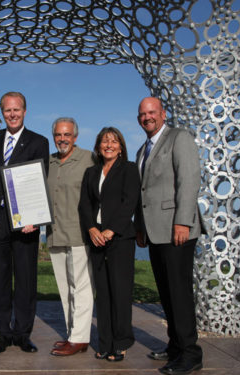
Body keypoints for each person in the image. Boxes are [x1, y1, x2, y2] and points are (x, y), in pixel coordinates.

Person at [135, 97, 205, 375]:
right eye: (142, 114)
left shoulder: (180, 138)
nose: (147, 117)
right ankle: (175, 346)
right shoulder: (143, 150)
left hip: (177, 229)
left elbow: (189, 180)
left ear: (163, 114)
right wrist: (139, 226)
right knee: (166, 293)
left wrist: (183, 221)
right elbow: (143, 194)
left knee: (179, 293)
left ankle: (191, 354)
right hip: (154, 232)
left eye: (152, 112)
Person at [0, 91, 49, 354]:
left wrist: (35, 218)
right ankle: (2, 334)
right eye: (7, 110)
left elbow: (41, 179)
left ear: (25, 111)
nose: (12, 114)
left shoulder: (39, 141)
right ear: (2, 112)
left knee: (25, 280)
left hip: (26, 223)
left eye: (17, 109)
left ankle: (23, 334)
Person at [78, 127, 139, 362]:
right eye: (105, 141)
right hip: (96, 239)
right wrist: (92, 228)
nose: (109, 145)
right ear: (98, 146)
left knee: (120, 293)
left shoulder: (129, 169)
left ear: (121, 146)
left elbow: (129, 202)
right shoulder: (91, 173)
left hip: (120, 239)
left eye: (114, 141)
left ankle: (121, 343)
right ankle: (105, 343)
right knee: (102, 294)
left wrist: (111, 230)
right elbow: (84, 204)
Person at [46, 117, 95, 356]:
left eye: (66, 135)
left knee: (81, 288)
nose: (62, 139)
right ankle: (72, 334)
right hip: (54, 234)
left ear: (75, 137)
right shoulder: (49, 162)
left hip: (79, 234)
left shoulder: (89, 159)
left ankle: (80, 338)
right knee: (65, 290)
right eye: (58, 135)